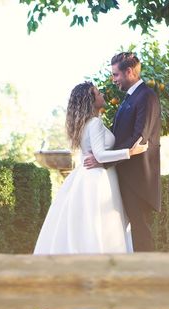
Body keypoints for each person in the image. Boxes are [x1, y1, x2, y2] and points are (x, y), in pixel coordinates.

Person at [33, 81, 148, 254]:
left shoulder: (83, 124)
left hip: (87, 176)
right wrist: (129, 152)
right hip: (98, 179)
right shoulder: (94, 123)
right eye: (98, 93)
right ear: (91, 100)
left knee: (87, 224)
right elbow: (100, 155)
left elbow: (89, 154)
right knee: (102, 223)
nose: (102, 95)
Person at [84, 52, 162, 252]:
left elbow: (139, 138)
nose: (113, 80)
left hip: (138, 179)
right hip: (126, 177)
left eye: (116, 75)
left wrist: (104, 160)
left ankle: (147, 278)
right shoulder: (130, 98)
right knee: (127, 234)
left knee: (141, 232)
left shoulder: (146, 96)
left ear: (129, 72)